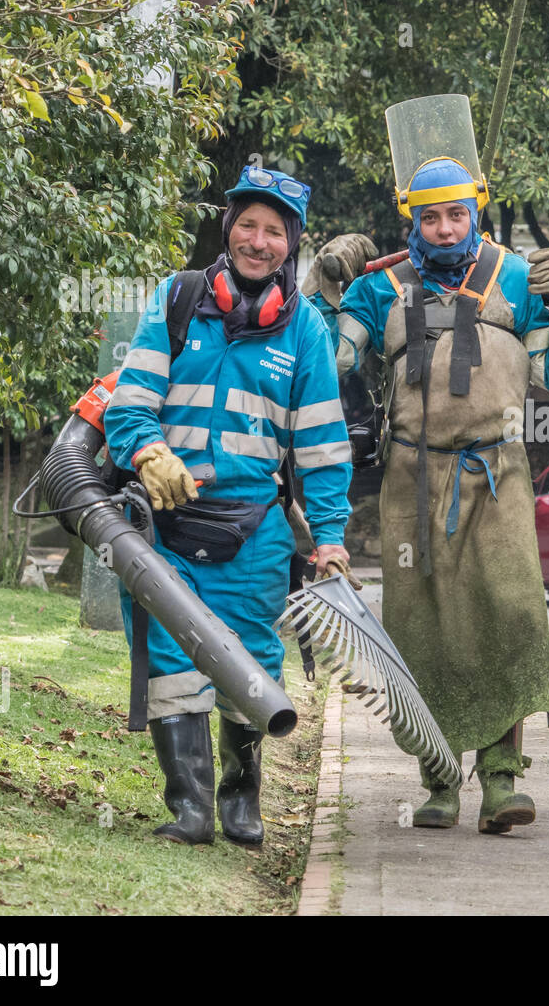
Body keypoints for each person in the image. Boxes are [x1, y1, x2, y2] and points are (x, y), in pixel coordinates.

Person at [334, 153, 549, 834]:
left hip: (499, 473)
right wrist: (323, 284)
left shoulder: (514, 274)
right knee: (421, 624)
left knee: (508, 614)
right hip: (409, 480)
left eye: (457, 214)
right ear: (412, 219)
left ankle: (503, 778)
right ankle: (439, 777)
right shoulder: (382, 285)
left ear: (474, 212)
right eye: (431, 217)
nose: (446, 228)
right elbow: (327, 355)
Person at [105, 166, 354, 846]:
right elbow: (130, 401)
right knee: (170, 661)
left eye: (274, 230)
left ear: (291, 243)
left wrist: (328, 536)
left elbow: (325, 447)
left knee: (249, 661)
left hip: (256, 532)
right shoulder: (179, 299)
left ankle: (241, 800)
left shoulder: (305, 332)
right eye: (248, 223)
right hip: (164, 524)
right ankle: (189, 807)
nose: (258, 240)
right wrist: (149, 452)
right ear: (228, 228)